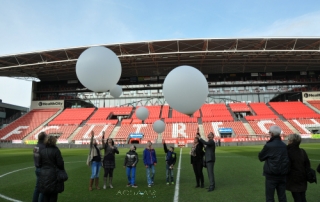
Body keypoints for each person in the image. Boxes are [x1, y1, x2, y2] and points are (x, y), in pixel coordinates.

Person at [258, 125, 290, 202]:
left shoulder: (269, 145)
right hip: (282, 174)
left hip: (271, 175)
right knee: (282, 197)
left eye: (269, 132)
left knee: (270, 197)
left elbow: (261, 157)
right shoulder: (284, 145)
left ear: (271, 133)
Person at [39, 136, 65, 202]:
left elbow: (39, 164)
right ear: (54, 141)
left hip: (44, 175)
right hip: (53, 175)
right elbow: (60, 164)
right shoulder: (56, 150)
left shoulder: (42, 151)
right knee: (53, 195)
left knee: (46, 195)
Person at [286, 134, 310, 202]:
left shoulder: (288, 151)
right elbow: (307, 165)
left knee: (297, 198)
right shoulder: (302, 151)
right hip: (303, 177)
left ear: (291, 141)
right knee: (302, 196)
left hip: (293, 178)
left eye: (288, 139)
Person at [32, 132, 47, 202]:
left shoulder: (36, 146)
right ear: (44, 138)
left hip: (37, 168)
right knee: (43, 188)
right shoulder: (43, 147)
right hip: (42, 169)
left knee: (37, 188)